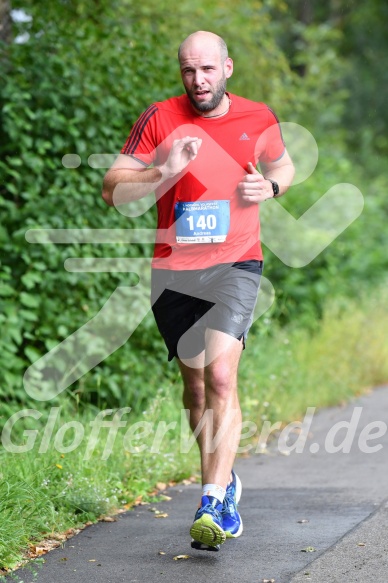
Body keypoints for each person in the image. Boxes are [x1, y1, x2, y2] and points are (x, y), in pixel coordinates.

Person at [102, 30, 294, 551]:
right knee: (194, 390)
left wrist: (270, 187)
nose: (198, 80)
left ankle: (212, 499)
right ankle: (226, 478)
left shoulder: (259, 118)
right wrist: (163, 170)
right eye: (188, 70)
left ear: (227, 67)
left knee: (222, 376)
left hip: (236, 263)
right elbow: (113, 188)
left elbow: (282, 164)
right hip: (174, 270)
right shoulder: (159, 118)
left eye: (207, 69)